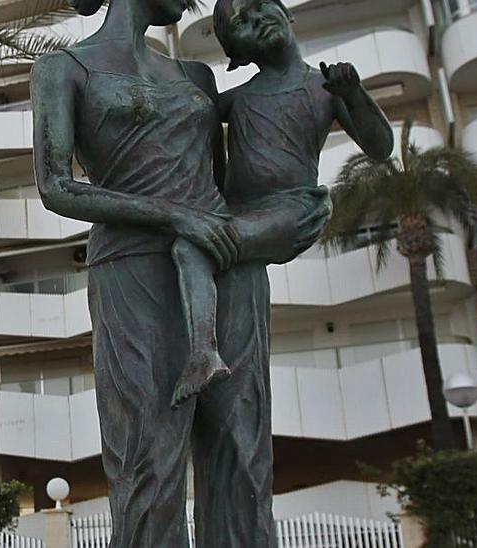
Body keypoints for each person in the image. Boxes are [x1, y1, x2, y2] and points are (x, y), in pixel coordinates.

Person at [29, 0, 330, 544]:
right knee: (148, 456)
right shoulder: (65, 68)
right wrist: (173, 216)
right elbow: (56, 186)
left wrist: (286, 216)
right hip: (132, 270)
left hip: (224, 264)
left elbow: (233, 177)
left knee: (243, 450)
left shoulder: (197, 75)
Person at [168, 0, 393, 407]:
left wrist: (354, 93)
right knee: (193, 243)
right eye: (245, 26)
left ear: (288, 15)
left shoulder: (323, 88)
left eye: (261, 10)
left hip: (293, 209)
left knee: (191, 245)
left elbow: (380, 148)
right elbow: (188, 118)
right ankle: (203, 350)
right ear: (238, 57)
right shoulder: (237, 100)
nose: (257, 22)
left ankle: (204, 353)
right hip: (241, 213)